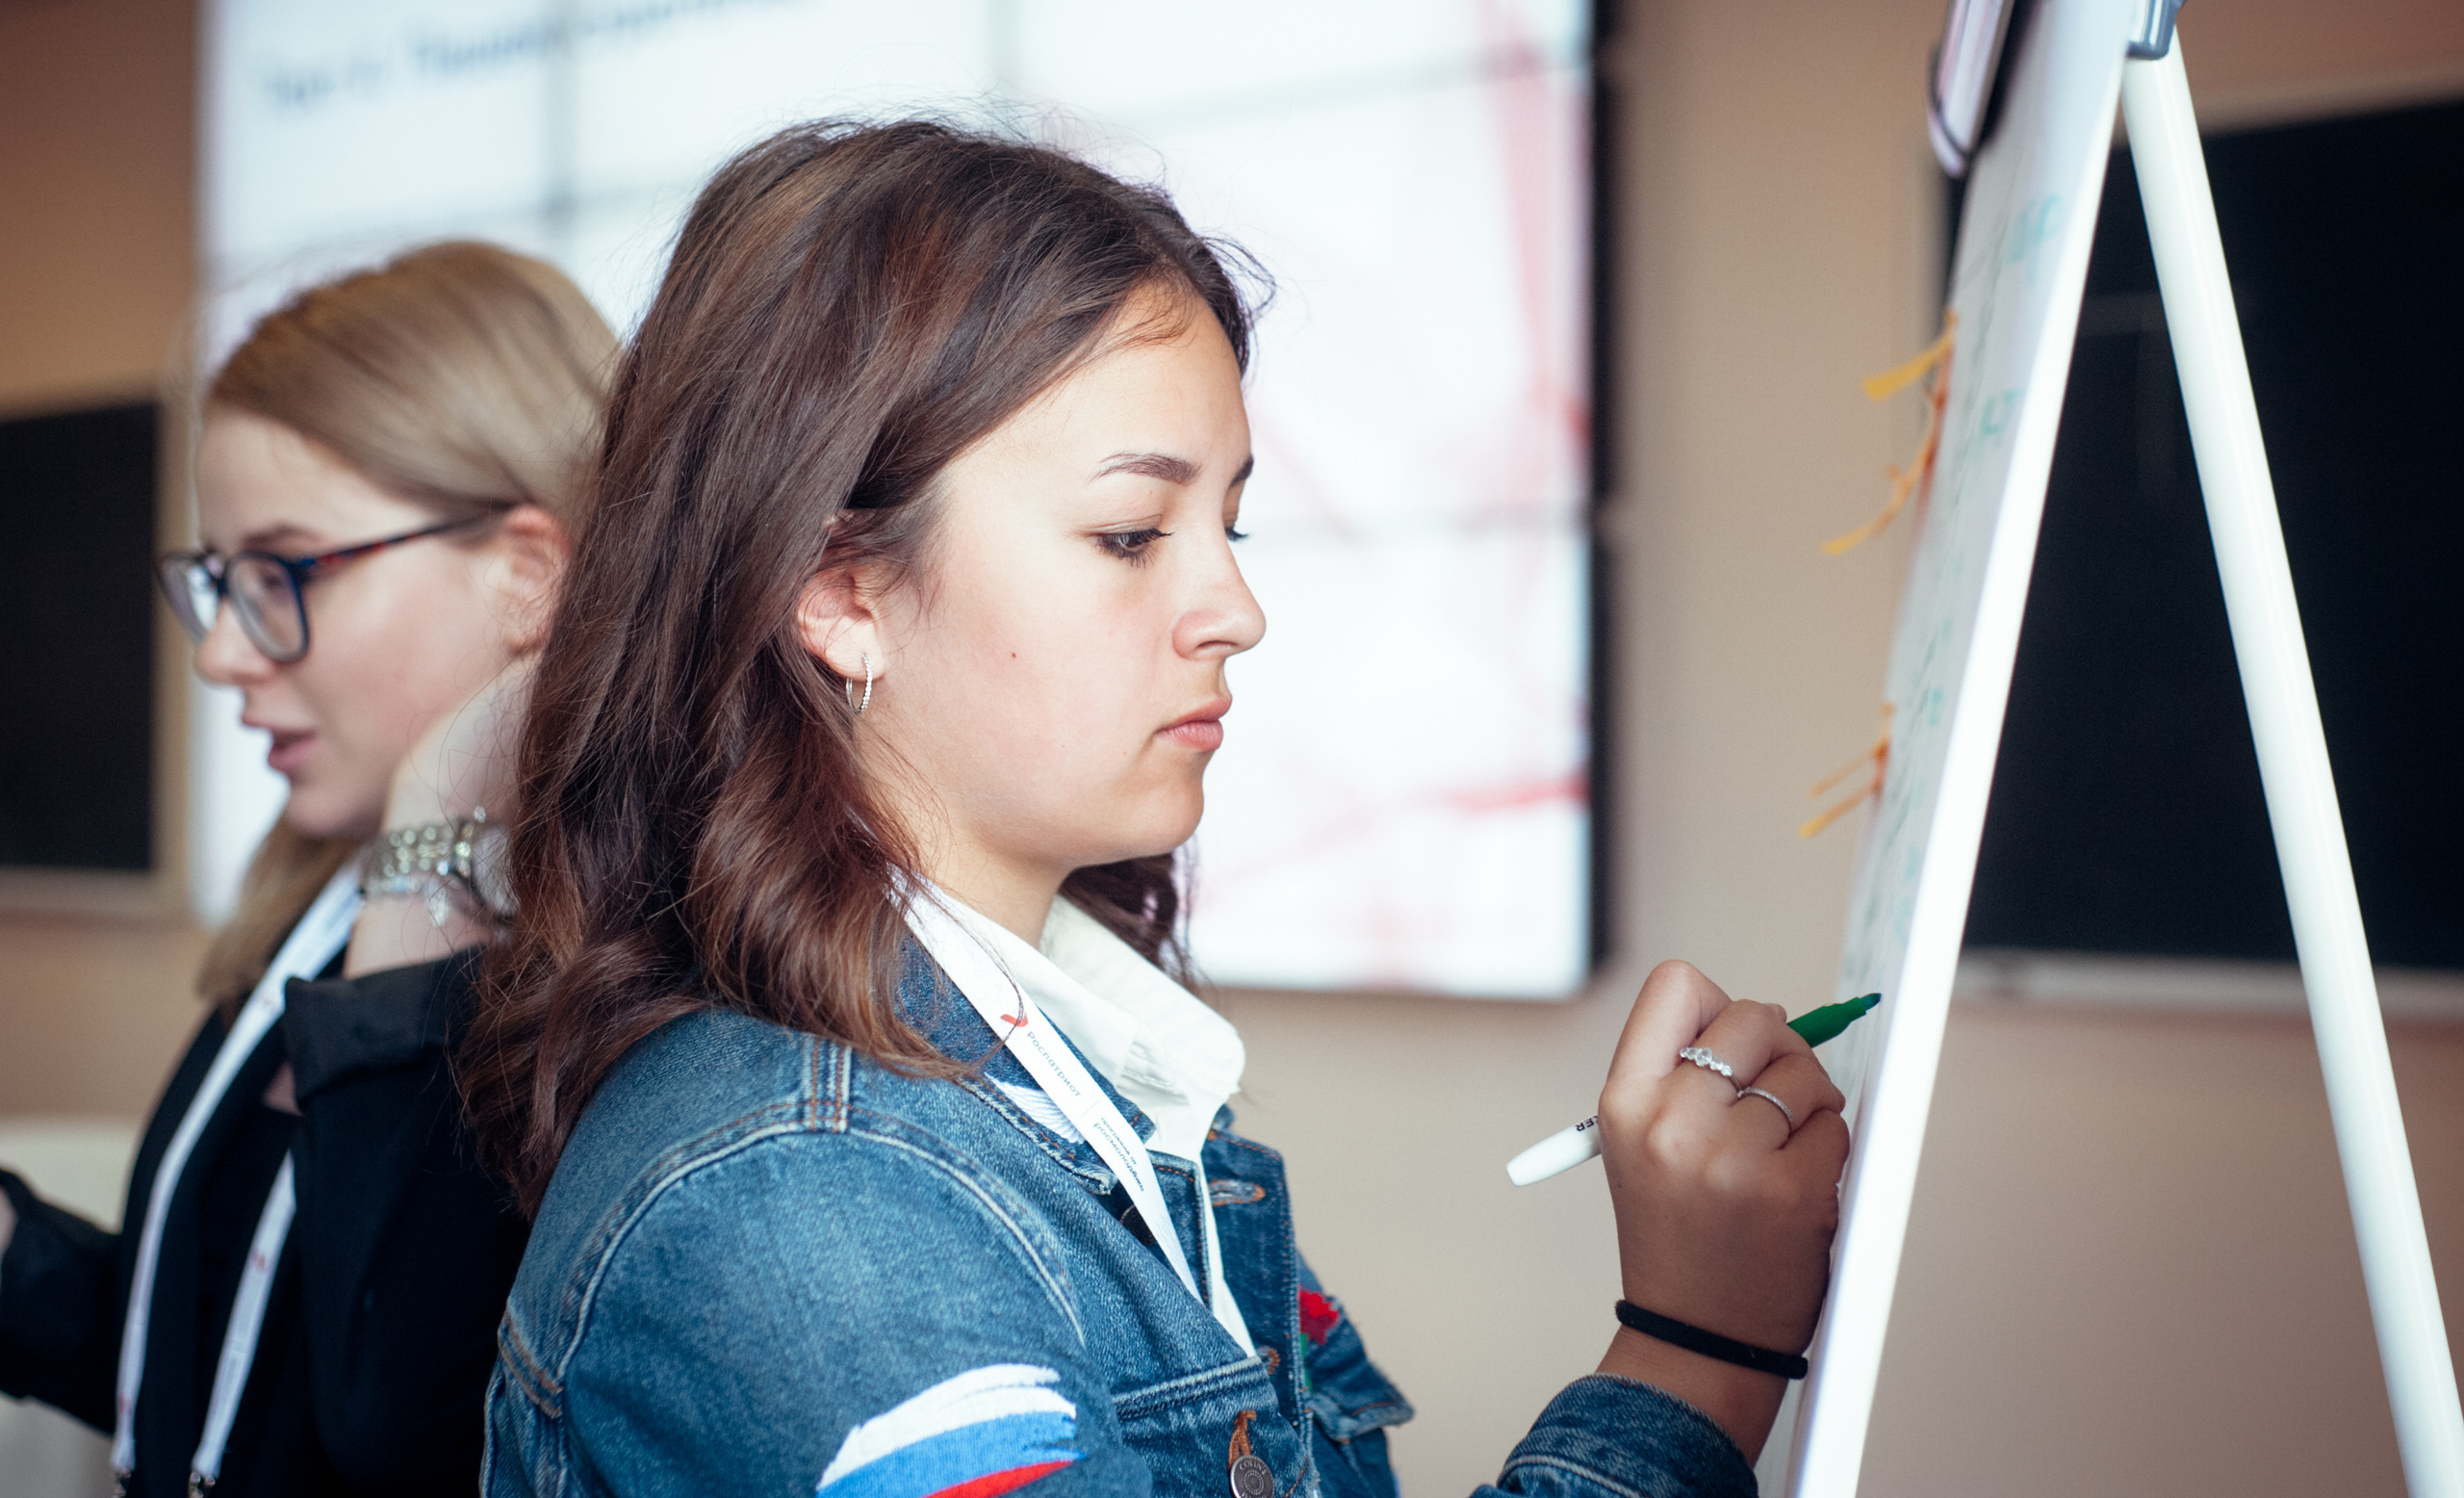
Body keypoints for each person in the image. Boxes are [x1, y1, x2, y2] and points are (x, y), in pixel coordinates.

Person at [460, 122, 1850, 1498]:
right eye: (1132, 534)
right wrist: (1692, 1354)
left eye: (1228, 527)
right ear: (838, 589)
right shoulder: (798, 1202)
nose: (1237, 611)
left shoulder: (1065, 1082)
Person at [0, 243, 617, 1498]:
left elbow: (400, 1428)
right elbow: (227, 1366)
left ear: (530, 577)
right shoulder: (318, 900)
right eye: (219, 582)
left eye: (282, 573)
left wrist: (437, 836)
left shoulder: (620, 979)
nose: (222, 654)